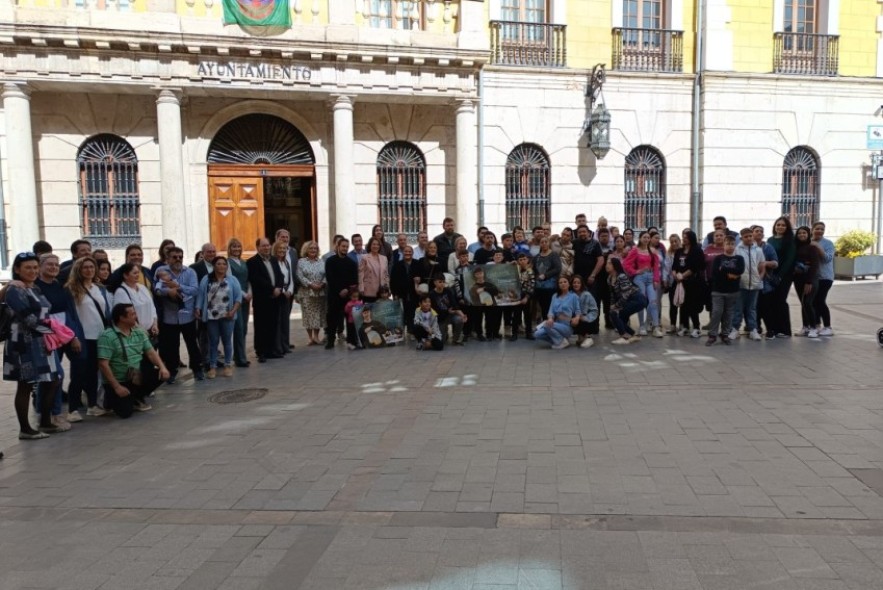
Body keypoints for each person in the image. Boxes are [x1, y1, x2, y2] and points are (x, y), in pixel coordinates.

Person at [3, 252, 64, 439]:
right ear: (17, 269)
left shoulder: (35, 288)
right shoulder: (15, 290)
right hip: (23, 343)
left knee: (53, 379)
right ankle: (25, 429)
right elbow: (28, 318)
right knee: (25, 385)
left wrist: (50, 335)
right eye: (28, 268)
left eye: (35, 267)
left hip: (42, 342)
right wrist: (54, 333)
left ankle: (45, 421)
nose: (32, 271)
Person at [97, 304, 170, 418]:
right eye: (132, 314)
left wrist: (162, 367)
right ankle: (110, 399)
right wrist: (117, 387)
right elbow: (103, 364)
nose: (136, 316)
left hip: (135, 375)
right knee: (125, 413)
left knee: (162, 373)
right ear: (122, 318)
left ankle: (136, 396)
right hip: (118, 380)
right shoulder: (107, 336)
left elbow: (151, 352)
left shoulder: (138, 332)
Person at [66, 256, 113, 416]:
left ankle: (92, 405)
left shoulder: (99, 288)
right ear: (78, 269)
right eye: (85, 267)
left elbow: (106, 311)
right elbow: (70, 315)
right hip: (81, 337)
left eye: (92, 267)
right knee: (79, 373)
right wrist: (73, 336)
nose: (89, 270)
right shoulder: (71, 289)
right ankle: (72, 408)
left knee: (93, 372)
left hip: (99, 335)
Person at [35, 253, 77, 428]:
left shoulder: (60, 286)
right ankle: (51, 413)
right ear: (41, 266)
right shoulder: (35, 287)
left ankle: (50, 413)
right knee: (54, 375)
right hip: (45, 336)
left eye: (56, 264)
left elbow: (69, 311)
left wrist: (72, 335)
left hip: (62, 333)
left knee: (54, 375)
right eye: (49, 264)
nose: (53, 267)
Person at [154, 246, 203, 381]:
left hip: (187, 315)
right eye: (174, 257)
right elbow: (156, 290)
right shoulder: (161, 271)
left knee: (192, 343)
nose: (178, 259)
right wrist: (168, 292)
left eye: (180, 257)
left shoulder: (190, 272)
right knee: (172, 346)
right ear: (168, 258)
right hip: (170, 316)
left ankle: (197, 368)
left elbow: (194, 290)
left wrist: (178, 287)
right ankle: (172, 370)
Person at [196, 256, 242, 378]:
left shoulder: (232, 280)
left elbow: (238, 298)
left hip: (228, 316)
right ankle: (212, 367)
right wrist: (197, 308)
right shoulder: (206, 279)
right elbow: (201, 295)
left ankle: (227, 365)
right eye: (218, 264)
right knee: (213, 342)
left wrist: (233, 311)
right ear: (214, 266)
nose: (221, 266)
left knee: (227, 341)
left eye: (224, 264)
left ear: (227, 266)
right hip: (212, 316)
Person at [247, 238, 284, 362]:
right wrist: (272, 289)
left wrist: (279, 288)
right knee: (261, 326)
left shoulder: (274, 259)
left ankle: (271, 350)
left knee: (272, 325)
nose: (266, 248)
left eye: (268, 245)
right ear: (257, 247)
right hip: (262, 299)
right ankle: (261, 352)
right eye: (263, 246)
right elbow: (256, 279)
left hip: (275, 298)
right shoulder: (252, 262)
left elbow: (280, 275)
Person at [622, 231, 663, 337]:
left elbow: (656, 267)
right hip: (639, 278)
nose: (646, 239)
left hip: (650, 278)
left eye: (648, 237)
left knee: (653, 302)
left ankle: (656, 327)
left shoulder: (653, 251)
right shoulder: (635, 250)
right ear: (640, 238)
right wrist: (635, 272)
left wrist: (656, 280)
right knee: (642, 302)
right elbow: (626, 264)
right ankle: (642, 326)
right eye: (644, 237)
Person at [706, 236, 745, 346]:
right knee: (717, 312)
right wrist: (731, 273)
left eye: (732, 244)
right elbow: (715, 273)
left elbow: (740, 270)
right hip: (718, 290)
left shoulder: (739, 259)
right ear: (724, 245)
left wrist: (723, 269)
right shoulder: (718, 259)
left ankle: (725, 334)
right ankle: (712, 335)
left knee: (729, 313)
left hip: (733, 291)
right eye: (728, 243)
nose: (730, 246)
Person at [731, 228, 766, 341]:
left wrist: (760, 278)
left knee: (752, 308)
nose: (749, 238)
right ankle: (735, 329)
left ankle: (753, 330)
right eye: (746, 236)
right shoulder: (737, 250)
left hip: (755, 284)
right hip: (741, 284)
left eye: (750, 236)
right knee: (738, 308)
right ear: (741, 238)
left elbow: (762, 265)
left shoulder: (759, 250)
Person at [324, 238, 358, 349]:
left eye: (347, 247)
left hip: (348, 296)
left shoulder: (351, 263)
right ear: (338, 246)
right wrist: (339, 290)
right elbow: (330, 278)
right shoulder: (330, 261)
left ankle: (351, 340)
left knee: (349, 318)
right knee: (332, 319)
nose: (345, 248)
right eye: (343, 246)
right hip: (334, 295)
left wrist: (347, 290)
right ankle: (330, 340)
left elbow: (354, 280)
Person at [671, 230, 705, 337]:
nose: (684, 239)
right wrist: (675, 274)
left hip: (692, 282)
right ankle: (685, 326)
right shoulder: (679, 251)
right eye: (683, 237)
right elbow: (674, 266)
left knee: (692, 305)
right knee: (683, 305)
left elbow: (694, 267)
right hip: (680, 282)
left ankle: (696, 327)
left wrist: (683, 275)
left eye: (686, 237)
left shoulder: (697, 250)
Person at [607, 257, 648, 345]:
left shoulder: (621, 276)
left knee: (615, 313)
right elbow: (613, 295)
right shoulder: (609, 279)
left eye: (609, 263)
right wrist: (612, 304)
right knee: (618, 315)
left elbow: (626, 294)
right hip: (629, 300)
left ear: (615, 265)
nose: (607, 265)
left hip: (637, 299)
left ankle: (625, 336)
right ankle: (633, 335)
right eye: (607, 263)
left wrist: (616, 306)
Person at [767, 216, 797, 338]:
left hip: (784, 275)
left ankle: (785, 330)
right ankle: (773, 328)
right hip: (771, 275)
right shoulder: (770, 240)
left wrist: (780, 275)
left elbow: (790, 259)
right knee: (772, 301)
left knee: (781, 301)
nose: (780, 227)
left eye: (783, 225)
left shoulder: (790, 240)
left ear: (787, 227)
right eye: (778, 225)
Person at [112, 263, 159, 339]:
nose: (137, 275)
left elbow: (152, 307)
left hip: (151, 332)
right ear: (125, 275)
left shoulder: (143, 288)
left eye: (138, 272)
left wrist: (155, 324)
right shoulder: (121, 292)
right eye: (134, 273)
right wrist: (141, 331)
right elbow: (125, 316)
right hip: (134, 335)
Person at [533, 276, 581, 349]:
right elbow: (551, 311)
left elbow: (578, 310)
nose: (563, 284)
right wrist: (550, 318)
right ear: (558, 285)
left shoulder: (573, 296)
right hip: (556, 323)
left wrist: (577, 318)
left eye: (565, 282)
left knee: (546, 325)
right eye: (560, 283)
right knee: (537, 334)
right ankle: (560, 341)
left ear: (569, 284)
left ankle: (561, 341)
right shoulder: (555, 296)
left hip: (567, 326)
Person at [793, 225, 822, 338]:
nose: (802, 235)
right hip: (798, 279)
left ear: (808, 234)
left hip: (810, 279)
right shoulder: (795, 247)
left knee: (808, 303)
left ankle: (814, 327)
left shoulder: (812, 248)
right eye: (799, 233)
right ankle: (805, 327)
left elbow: (815, 265)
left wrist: (809, 281)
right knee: (803, 304)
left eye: (804, 233)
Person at [296, 240, 327, 346]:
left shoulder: (321, 261)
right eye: (311, 248)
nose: (313, 250)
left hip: (319, 292)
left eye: (315, 248)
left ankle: (316, 337)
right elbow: (300, 275)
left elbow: (326, 275)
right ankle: (310, 338)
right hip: (306, 292)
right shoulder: (301, 261)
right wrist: (310, 284)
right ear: (306, 250)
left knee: (318, 315)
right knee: (308, 315)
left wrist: (322, 283)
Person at [226, 238, 252, 367]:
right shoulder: (228, 263)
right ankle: (240, 358)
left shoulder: (244, 262)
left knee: (244, 328)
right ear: (229, 249)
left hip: (247, 298)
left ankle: (239, 355)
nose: (236, 249)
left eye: (238, 247)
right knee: (239, 328)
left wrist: (250, 293)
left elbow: (248, 280)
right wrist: (243, 294)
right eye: (234, 247)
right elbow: (230, 281)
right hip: (236, 298)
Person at [752, 225, 780, 340]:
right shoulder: (746, 247)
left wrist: (765, 263)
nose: (759, 233)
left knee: (766, 308)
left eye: (761, 231)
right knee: (754, 307)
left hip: (765, 283)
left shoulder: (768, 247)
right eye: (756, 231)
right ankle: (756, 328)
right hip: (750, 283)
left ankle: (770, 330)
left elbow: (776, 263)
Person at [811, 222, 835, 336]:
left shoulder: (828, 243)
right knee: (814, 301)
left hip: (825, 277)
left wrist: (818, 246)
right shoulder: (808, 242)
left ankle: (828, 326)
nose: (819, 231)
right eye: (817, 228)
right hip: (814, 277)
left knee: (820, 300)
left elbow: (827, 259)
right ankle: (816, 324)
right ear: (812, 229)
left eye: (822, 229)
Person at [272, 240, 296, 354]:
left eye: (284, 249)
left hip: (287, 294)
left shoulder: (286, 262)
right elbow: (274, 280)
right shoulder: (273, 263)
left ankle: (285, 345)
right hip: (278, 294)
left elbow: (290, 278)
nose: (282, 250)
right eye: (279, 248)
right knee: (277, 322)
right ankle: (278, 347)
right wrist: (282, 291)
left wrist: (290, 291)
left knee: (285, 322)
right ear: (275, 250)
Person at [429, 274, 466, 345]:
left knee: (460, 319)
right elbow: (434, 310)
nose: (442, 284)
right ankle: (444, 333)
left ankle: (455, 340)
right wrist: (447, 311)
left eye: (443, 282)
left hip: (450, 315)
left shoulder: (448, 291)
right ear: (435, 283)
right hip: (440, 318)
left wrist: (462, 315)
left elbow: (454, 304)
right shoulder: (431, 294)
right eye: (440, 282)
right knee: (441, 341)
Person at [467, 266, 501, 341]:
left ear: (483, 274)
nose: (479, 275)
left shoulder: (489, 283)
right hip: (478, 305)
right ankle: (479, 334)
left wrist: (484, 289)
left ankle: (489, 333)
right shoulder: (473, 286)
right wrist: (479, 291)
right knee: (478, 319)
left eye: (481, 273)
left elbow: (495, 291)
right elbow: (474, 293)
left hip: (489, 304)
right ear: (475, 275)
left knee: (490, 318)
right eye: (477, 274)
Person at [532, 236, 562, 320]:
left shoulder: (554, 255)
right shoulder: (537, 257)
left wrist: (546, 275)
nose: (544, 244)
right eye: (542, 242)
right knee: (543, 307)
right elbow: (533, 270)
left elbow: (557, 268)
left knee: (551, 307)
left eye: (546, 242)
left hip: (551, 287)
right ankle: (546, 325)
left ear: (549, 243)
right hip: (539, 287)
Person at [390, 245, 417, 335]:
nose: (408, 253)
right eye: (406, 251)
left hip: (414, 293)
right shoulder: (397, 265)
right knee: (402, 313)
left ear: (412, 253)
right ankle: (400, 333)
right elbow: (392, 281)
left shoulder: (417, 264)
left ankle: (411, 330)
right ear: (403, 253)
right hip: (401, 293)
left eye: (410, 251)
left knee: (412, 312)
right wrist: (394, 294)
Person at [510, 252, 535, 341]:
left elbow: (532, 285)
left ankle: (529, 333)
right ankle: (514, 334)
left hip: (526, 295)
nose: (523, 261)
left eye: (524, 259)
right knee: (516, 315)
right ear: (518, 261)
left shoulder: (530, 271)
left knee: (528, 315)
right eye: (520, 260)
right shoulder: (515, 270)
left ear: (527, 260)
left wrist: (527, 297)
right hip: (516, 296)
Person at [570, 275, 599, 349]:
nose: (576, 284)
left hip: (587, 319)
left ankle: (587, 337)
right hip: (574, 318)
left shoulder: (587, 295)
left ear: (581, 284)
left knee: (581, 318)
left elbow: (594, 310)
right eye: (574, 283)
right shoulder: (570, 294)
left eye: (578, 283)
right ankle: (580, 337)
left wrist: (586, 318)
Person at [359, 237, 390, 303]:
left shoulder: (384, 258)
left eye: (377, 244)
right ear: (370, 245)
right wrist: (361, 288)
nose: (376, 246)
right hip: (368, 290)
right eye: (374, 244)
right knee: (369, 312)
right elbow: (360, 274)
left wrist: (388, 288)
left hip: (382, 292)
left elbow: (386, 275)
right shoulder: (364, 257)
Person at [664, 234, 682, 333]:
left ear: (680, 241)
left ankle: (684, 325)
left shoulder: (684, 252)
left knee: (684, 305)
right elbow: (666, 268)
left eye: (676, 241)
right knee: (672, 304)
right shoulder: (669, 253)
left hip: (683, 281)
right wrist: (665, 279)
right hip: (673, 282)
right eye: (672, 242)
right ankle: (673, 325)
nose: (674, 243)